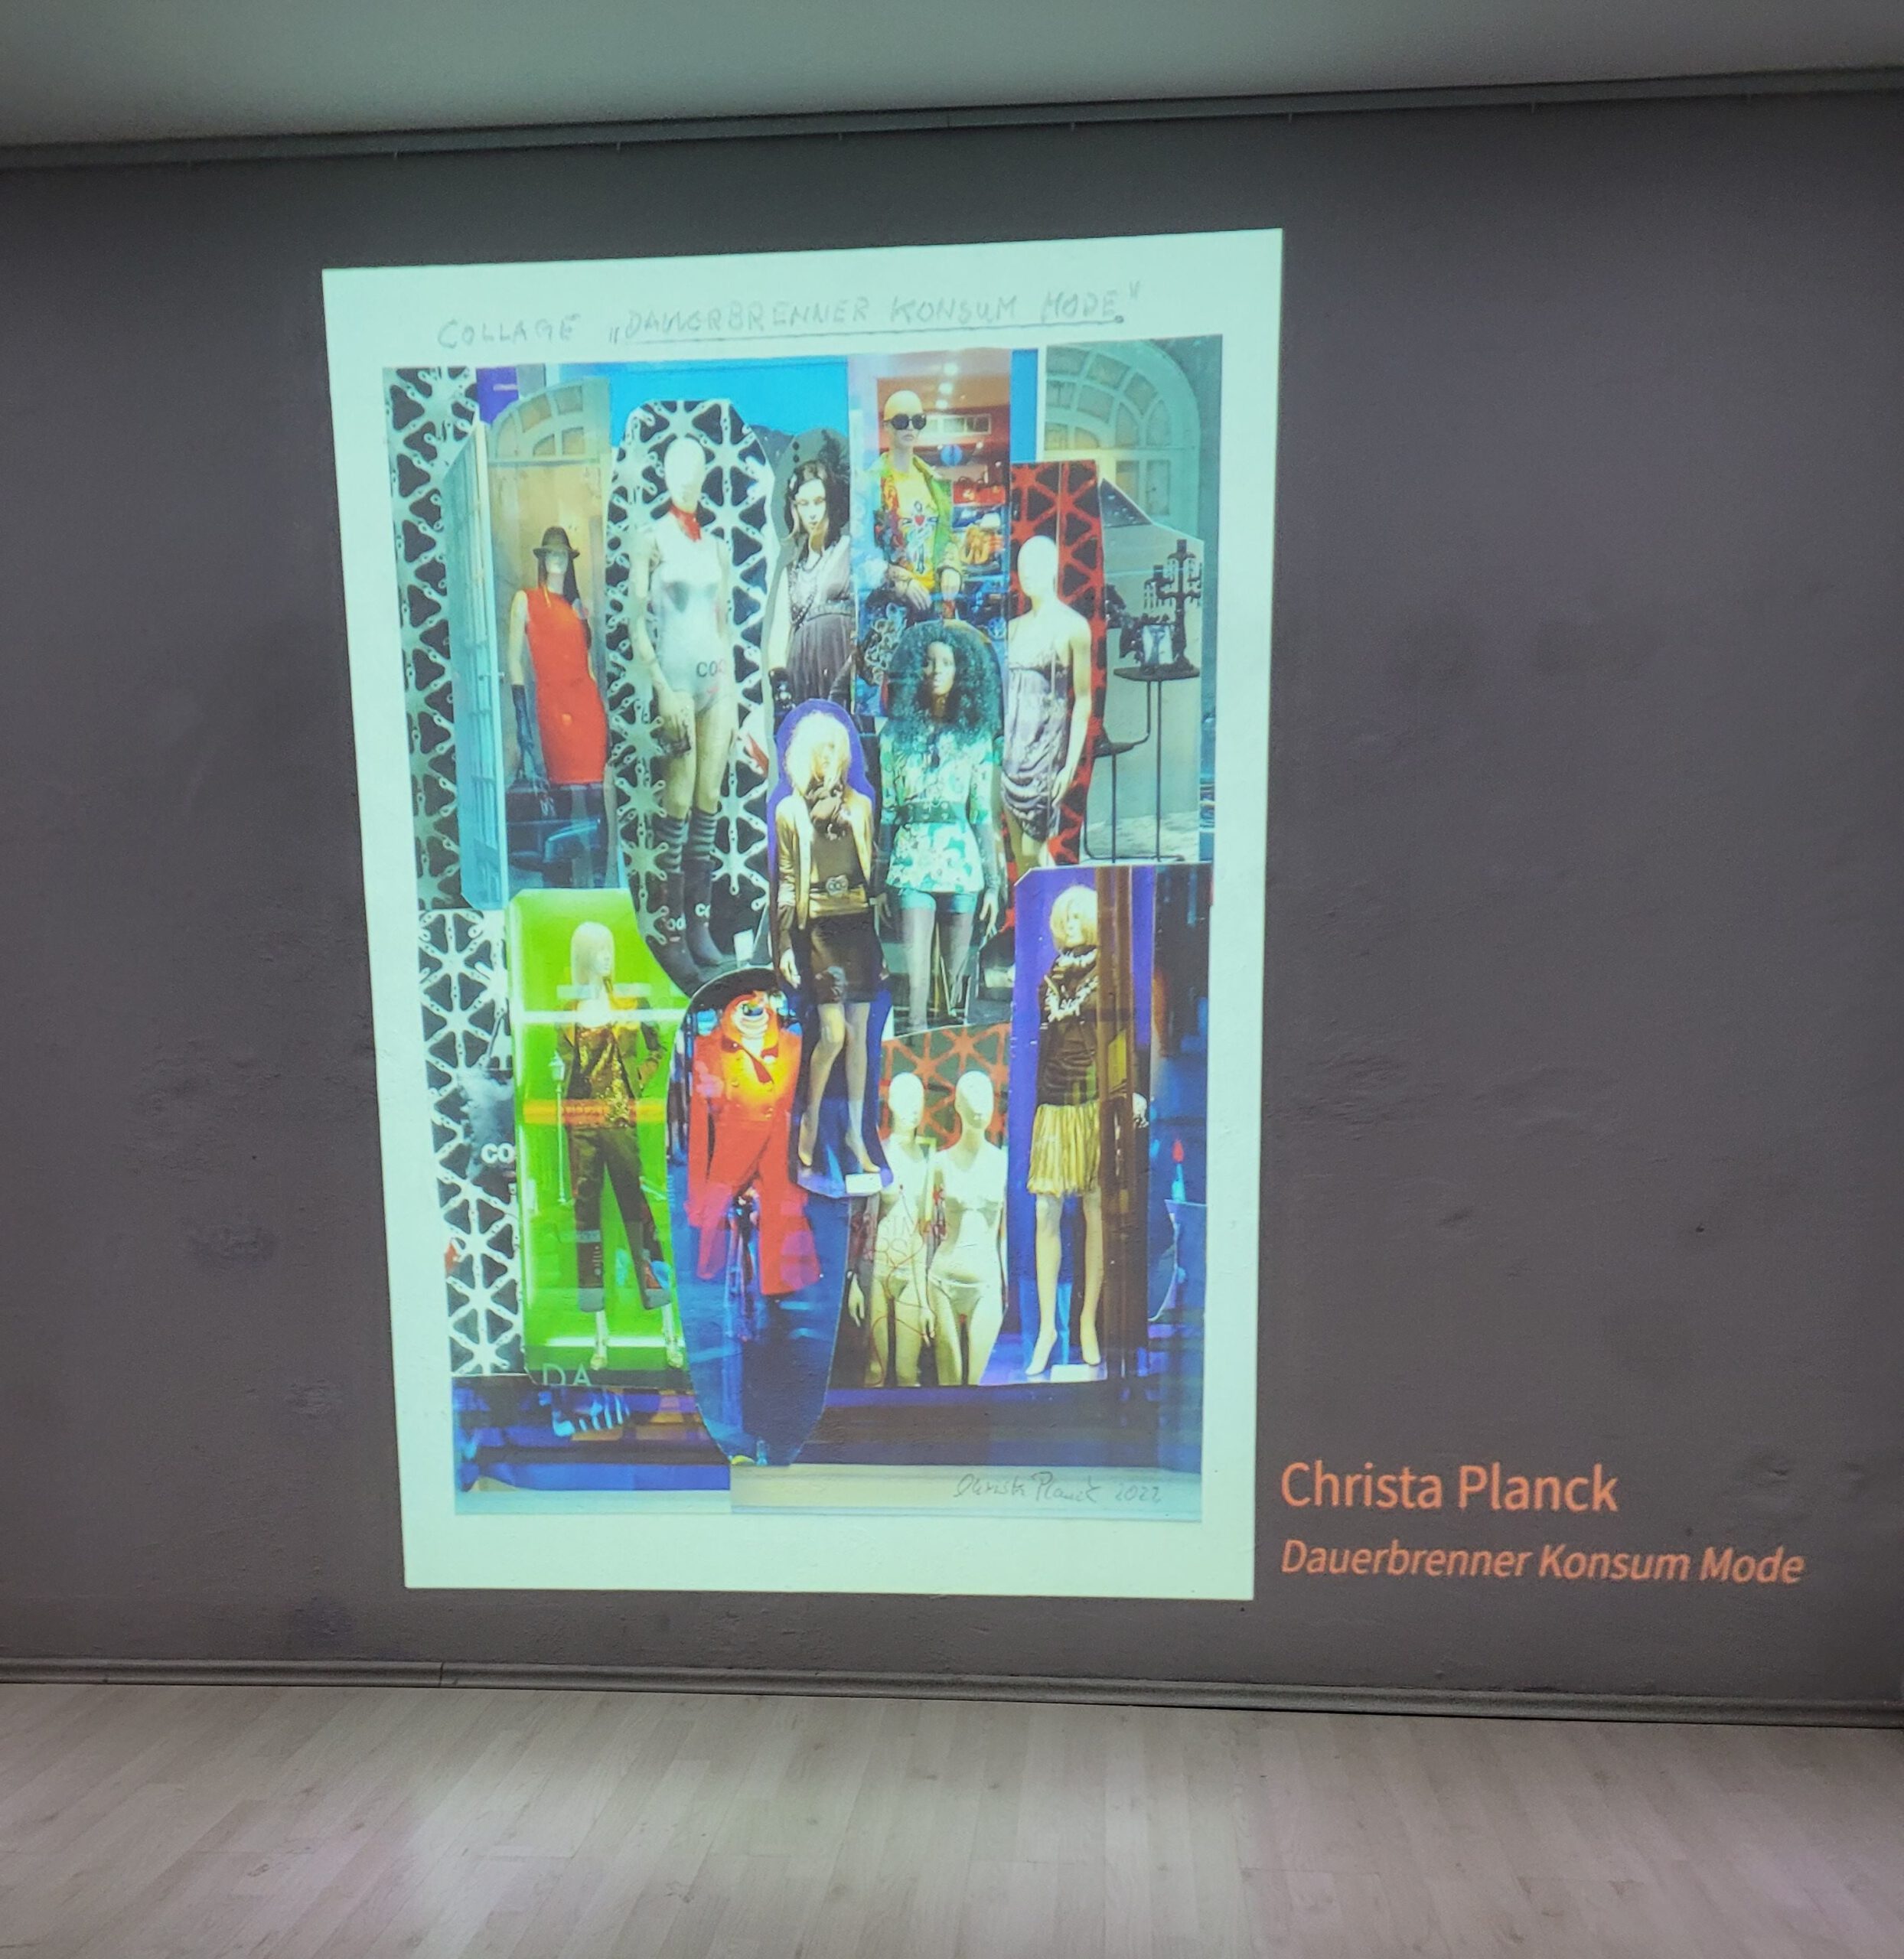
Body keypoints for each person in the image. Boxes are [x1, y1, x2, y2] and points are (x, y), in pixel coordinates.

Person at [628, 435, 746, 980]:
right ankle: (671, 927)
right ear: (664, 473)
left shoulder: (716, 547)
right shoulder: (650, 539)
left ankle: (699, 921)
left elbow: (724, 625)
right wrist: (660, 686)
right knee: (677, 799)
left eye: (695, 469)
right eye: (677, 468)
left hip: (715, 684)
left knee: (708, 798)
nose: (687, 479)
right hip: (675, 684)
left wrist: (735, 692)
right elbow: (636, 623)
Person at [878, 619, 1003, 1034]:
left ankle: (952, 1064)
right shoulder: (894, 737)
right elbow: (889, 812)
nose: (936, 671)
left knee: (956, 991)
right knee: (913, 987)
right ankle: (912, 1056)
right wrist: (879, 884)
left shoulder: (976, 738)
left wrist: (993, 884)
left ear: (960, 671)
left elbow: (982, 814)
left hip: (962, 867)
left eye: (946, 663)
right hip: (910, 865)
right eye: (929, 662)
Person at [773, 709, 882, 1177]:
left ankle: (856, 1132)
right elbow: (786, 880)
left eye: (835, 747)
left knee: (859, 1037)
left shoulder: (859, 806)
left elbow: (871, 867)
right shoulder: (791, 811)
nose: (829, 757)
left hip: (858, 924)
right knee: (833, 1034)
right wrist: (782, 943)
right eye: (820, 749)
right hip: (819, 928)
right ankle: (811, 1119)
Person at [557, 921, 668, 1371]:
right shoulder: (567, 1011)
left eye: (609, 949)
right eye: (599, 950)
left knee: (637, 1215)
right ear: (584, 956)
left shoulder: (630, 1002)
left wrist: (636, 1081)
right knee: (586, 1222)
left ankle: (665, 1324)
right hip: (582, 1122)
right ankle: (598, 1334)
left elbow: (658, 1047)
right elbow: (567, 1065)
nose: (607, 957)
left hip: (621, 1119)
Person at [1027, 884, 1103, 1376]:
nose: (1071, 924)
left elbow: (1117, 1038)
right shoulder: (1050, 980)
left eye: (1079, 916)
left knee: (1095, 1208)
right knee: (1045, 1212)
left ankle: (1088, 1321)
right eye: (1065, 917)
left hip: (1093, 1102)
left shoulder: (1106, 976)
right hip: (1054, 1104)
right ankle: (1046, 1329)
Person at [506, 526, 611, 882]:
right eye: (551, 554)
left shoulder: (576, 606)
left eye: (562, 555)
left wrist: (604, 718)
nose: (557, 560)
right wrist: (522, 719)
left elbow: (588, 665)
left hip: (586, 708)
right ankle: (562, 881)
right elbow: (513, 661)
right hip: (553, 707)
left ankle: (599, 881)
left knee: (595, 796)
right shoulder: (527, 600)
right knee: (561, 796)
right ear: (542, 558)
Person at [1002, 533, 1094, 872]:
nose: (1028, 573)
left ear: (1054, 568)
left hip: (1044, 753)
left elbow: (1083, 700)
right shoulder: (1012, 630)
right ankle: (1032, 907)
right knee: (1019, 851)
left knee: (1034, 849)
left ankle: (1058, 904)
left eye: (1036, 565)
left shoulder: (1073, 627)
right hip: (1011, 752)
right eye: (1023, 565)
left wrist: (1069, 765)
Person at [927, 1071, 1008, 1386]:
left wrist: (1008, 1287)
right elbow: (923, 1229)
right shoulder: (939, 1163)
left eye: (986, 1098)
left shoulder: (1003, 1164)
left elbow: (1006, 1237)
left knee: (981, 1381)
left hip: (987, 1282)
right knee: (947, 1384)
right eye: (971, 1098)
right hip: (943, 1278)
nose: (980, 1106)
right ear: (957, 1105)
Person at [764, 454, 856, 719]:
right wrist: (781, 690)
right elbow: (779, 635)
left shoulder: (852, 552)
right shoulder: (792, 571)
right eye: (804, 504)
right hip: (802, 676)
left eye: (819, 501)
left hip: (843, 667)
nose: (813, 513)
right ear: (795, 509)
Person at [859, 1071, 935, 1387]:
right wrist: (853, 1281)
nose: (913, 1108)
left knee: (907, 1373)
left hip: (910, 1269)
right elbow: (860, 1222)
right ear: (890, 1102)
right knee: (875, 1370)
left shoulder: (927, 1161)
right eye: (905, 1099)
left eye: (918, 1100)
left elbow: (922, 1231)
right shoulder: (877, 1155)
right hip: (876, 1267)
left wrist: (925, 1301)